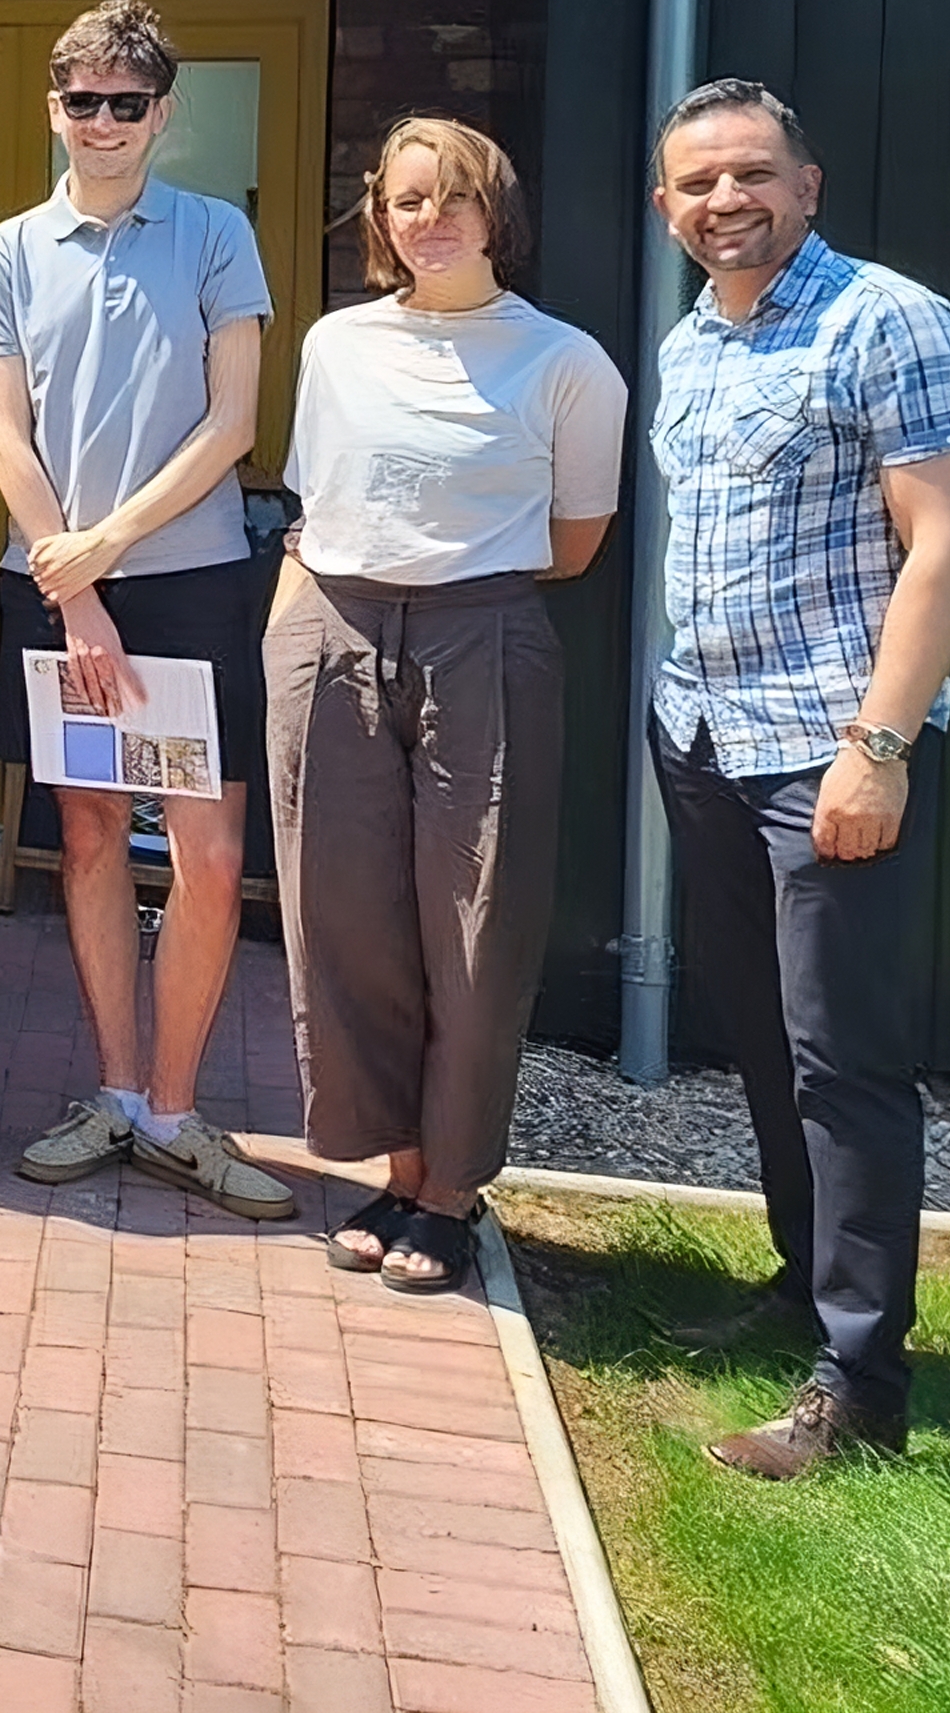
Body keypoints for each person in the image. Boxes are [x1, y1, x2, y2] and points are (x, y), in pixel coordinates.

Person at [648, 78, 950, 1478]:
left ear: (808, 182)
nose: (724, 200)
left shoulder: (891, 321)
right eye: (696, 184)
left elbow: (948, 546)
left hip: (831, 751)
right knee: (770, 1040)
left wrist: (880, 747)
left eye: (749, 175)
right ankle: (803, 1289)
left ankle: (862, 1386)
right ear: (669, 207)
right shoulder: (692, 344)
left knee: (846, 1065)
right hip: (709, 738)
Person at [267, 120, 626, 1295]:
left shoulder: (566, 362)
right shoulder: (337, 343)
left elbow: (574, 544)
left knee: (478, 918)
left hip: (486, 635)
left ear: (496, 211)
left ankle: (453, 1193)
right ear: (380, 214)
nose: (430, 221)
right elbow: (317, 500)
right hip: (334, 626)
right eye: (408, 200)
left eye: (454, 198)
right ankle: (394, 1163)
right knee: (345, 911)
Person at [0, 0, 295, 1221]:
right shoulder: (8, 249)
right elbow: (5, 426)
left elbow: (233, 422)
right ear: (54, 105)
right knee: (92, 833)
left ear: (163, 111)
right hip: (58, 584)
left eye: (127, 103)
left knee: (208, 854)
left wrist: (108, 545)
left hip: (192, 579)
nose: (102, 123)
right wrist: (77, 577)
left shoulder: (214, 236)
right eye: (82, 100)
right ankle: (112, 1093)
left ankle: (174, 1108)